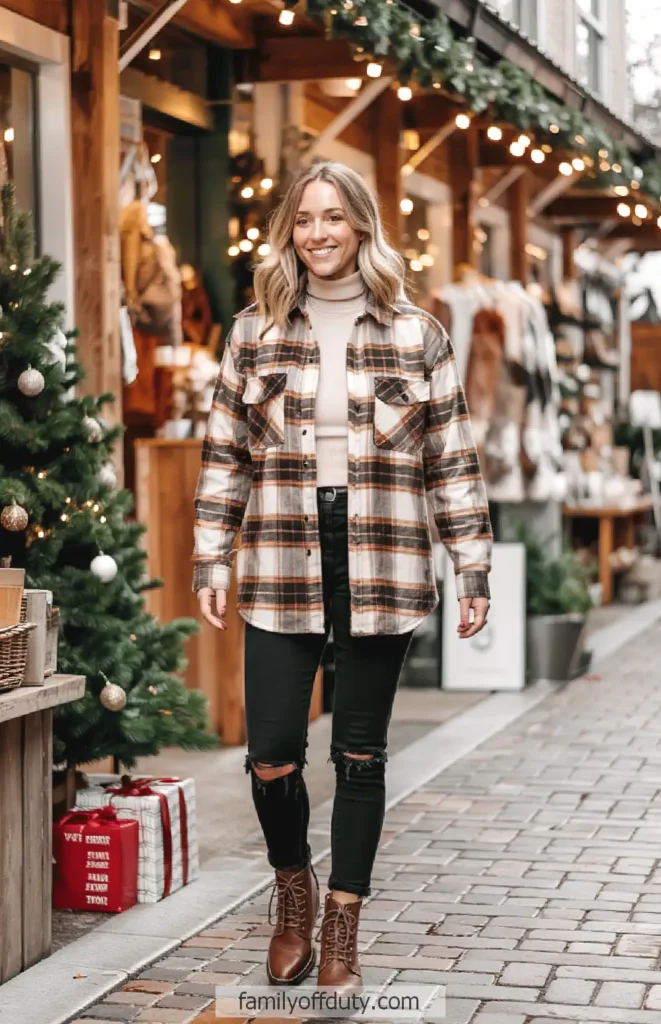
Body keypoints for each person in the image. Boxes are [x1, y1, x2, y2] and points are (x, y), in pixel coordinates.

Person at [192, 160, 492, 992]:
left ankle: (344, 923)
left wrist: (472, 567)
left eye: (334, 217)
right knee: (273, 753)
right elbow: (224, 457)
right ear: (289, 231)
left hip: (385, 552)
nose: (318, 233)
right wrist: (211, 554)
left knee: (359, 753)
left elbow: (453, 462)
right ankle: (294, 891)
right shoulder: (254, 331)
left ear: (361, 225)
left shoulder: (416, 333)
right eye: (303, 219)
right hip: (283, 550)